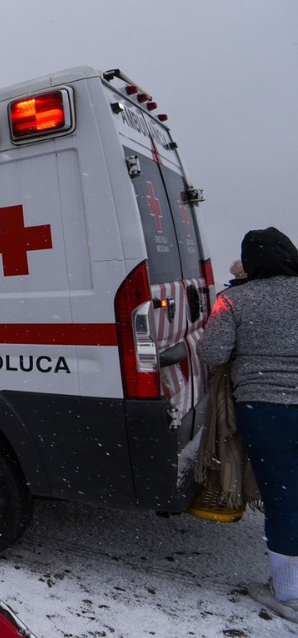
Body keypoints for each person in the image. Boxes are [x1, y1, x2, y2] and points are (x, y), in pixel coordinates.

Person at [197, 227, 298, 623]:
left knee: (284, 499)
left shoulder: (234, 300)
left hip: (266, 409)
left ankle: (288, 594)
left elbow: (212, 352)